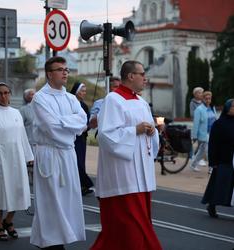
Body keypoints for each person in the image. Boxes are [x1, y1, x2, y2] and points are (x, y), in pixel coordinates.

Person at [91, 60, 162, 250]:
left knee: (139, 224)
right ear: (131, 76)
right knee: (128, 228)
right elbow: (106, 135)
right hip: (123, 176)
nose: (145, 78)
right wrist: (134, 130)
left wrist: (152, 131)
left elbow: (149, 135)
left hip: (142, 174)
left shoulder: (141, 102)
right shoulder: (113, 100)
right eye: (142, 74)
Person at [30, 56, 87, 250]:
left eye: (66, 69)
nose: (65, 72)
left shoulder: (71, 98)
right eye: (60, 69)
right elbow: (50, 127)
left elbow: (82, 122)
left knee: (67, 198)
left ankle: (60, 238)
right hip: (49, 154)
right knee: (50, 199)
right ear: (49, 74)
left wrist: (64, 123)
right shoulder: (40, 98)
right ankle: (50, 242)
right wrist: (68, 125)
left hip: (67, 154)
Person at [0, 82, 34, 241]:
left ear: (10, 94)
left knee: (18, 190)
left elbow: (22, 136)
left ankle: (8, 220)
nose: (3, 96)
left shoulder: (16, 112)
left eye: (6, 93)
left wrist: (29, 156)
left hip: (16, 157)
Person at [201, 99, 234, 218]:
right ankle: (212, 204)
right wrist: (213, 161)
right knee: (219, 184)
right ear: (227, 108)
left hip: (233, 158)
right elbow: (213, 144)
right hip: (223, 159)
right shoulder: (219, 124)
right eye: (233, 107)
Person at [70, 82, 94, 196]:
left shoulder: (84, 105)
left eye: (85, 91)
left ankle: (82, 185)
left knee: (81, 161)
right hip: (73, 137)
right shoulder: (70, 103)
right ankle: (84, 183)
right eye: (82, 91)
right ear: (76, 92)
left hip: (82, 138)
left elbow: (87, 120)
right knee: (75, 162)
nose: (84, 93)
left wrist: (89, 126)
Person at [190, 91, 217, 172]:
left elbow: (215, 120)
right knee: (209, 150)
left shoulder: (212, 108)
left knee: (201, 151)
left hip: (212, 133)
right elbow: (196, 124)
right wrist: (194, 136)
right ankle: (211, 168)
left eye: (209, 99)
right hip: (204, 134)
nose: (208, 100)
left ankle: (193, 164)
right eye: (206, 99)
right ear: (203, 99)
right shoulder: (199, 109)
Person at [19, 88, 36, 184]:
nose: (34, 96)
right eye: (31, 94)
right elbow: (20, 126)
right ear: (26, 97)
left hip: (38, 141)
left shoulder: (40, 108)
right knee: (29, 161)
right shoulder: (23, 110)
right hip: (28, 139)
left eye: (34, 94)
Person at [189, 87, 207, 166]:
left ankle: (198, 157)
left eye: (202, 93)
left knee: (203, 142)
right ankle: (197, 158)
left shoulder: (204, 102)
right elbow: (192, 114)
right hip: (197, 124)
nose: (201, 94)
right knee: (200, 142)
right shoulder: (192, 103)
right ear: (195, 94)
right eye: (199, 93)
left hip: (204, 125)